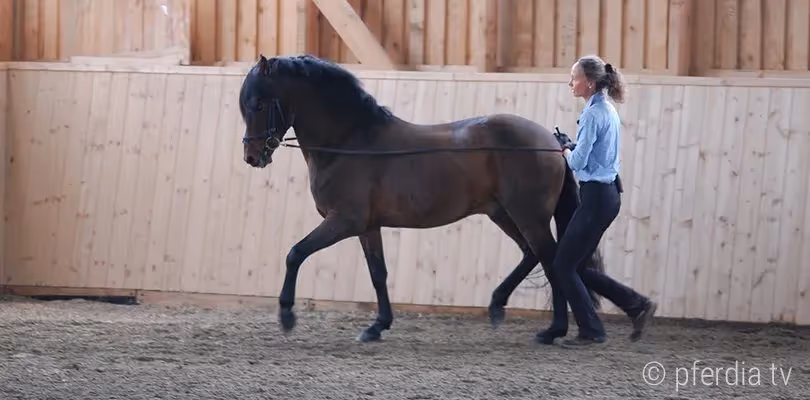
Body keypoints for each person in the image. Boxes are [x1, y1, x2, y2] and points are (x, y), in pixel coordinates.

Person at [539, 55, 657, 348]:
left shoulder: (592, 114)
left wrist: (565, 149)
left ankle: (592, 331)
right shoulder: (606, 108)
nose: (570, 83)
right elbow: (593, 154)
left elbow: (578, 164)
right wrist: (574, 146)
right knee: (577, 267)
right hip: (607, 196)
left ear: (589, 83)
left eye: (574, 78)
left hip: (595, 198)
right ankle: (636, 305)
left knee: (563, 266)